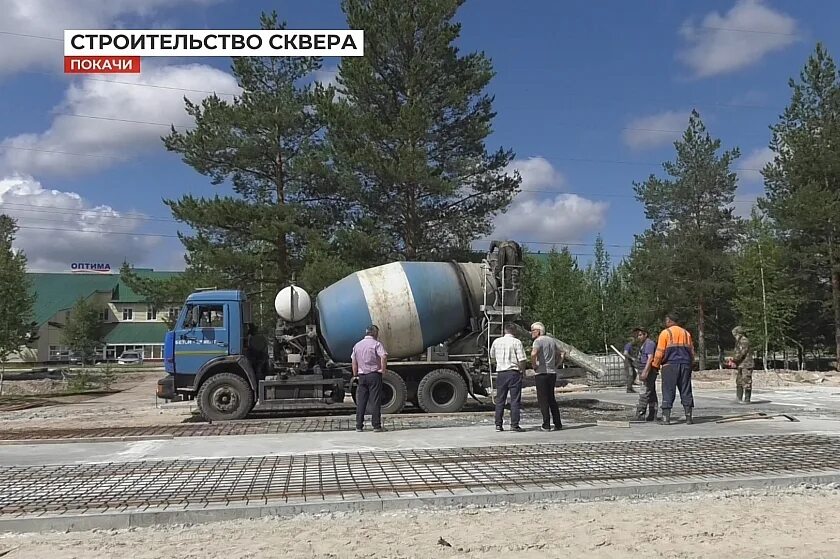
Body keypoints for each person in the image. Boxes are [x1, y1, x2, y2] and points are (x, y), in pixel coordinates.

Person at [650, 312, 695, 425]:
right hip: (685, 365)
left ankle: (666, 418)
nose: (665, 323)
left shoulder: (665, 333)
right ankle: (689, 417)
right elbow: (691, 352)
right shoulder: (686, 333)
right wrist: (690, 364)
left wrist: (655, 365)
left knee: (668, 390)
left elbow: (660, 352)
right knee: (686, 389)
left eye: (666, 320)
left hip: (670, 366)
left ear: (670, 320)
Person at [490, 323, 527, 432]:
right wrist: (522, 370)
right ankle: (514, 425)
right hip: (513, 372)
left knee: (500, 399)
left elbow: (492, 355)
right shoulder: (517, 342)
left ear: (504, 331)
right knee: (515, 400)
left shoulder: (497, 342)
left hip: (501, 372)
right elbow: (522, 359)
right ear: (514, 331)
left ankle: (498, 424)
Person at [351, 325, 388, 432]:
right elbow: (384, 356)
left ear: (366, 332)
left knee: (361, 401)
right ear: (375, 333)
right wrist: (383, 369)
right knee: (375, 400)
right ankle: (376, 425)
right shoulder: (376, 344)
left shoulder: (357, 345)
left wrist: (355, 374)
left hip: (362, 376)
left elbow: (353, 361)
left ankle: (359, 425)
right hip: (374, 375)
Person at [530, 322, 565, 431]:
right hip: (552, 373)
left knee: (543, 399)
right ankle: (557, 423)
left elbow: (533, 354)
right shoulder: (552, 340)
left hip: (541, 373)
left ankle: (546, 424)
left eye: (533, 330)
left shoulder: (538, 341)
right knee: (551, 398)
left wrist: (534, 365)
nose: (531, 333)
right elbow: (562, 353)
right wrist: (557, 364)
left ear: (539, 331)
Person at [634, 327, 659, 421]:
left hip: (648, 370)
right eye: (637, 335)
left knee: (644, 392)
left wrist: (645, 371)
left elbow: (650, 358)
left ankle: (640, 413)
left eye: (640, 335)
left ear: (646, 334)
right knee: (651, 392)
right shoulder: (644, 344)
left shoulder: (649, 344)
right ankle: (653, 413)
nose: (638, 337)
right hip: (644, 369)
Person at [728, 326, 755, 404]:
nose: (734, 336)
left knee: (746, 381)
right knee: (739, 381)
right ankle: (738, 398)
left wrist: (733, 359)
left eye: (735, 334)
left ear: (739, 333)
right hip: (740, 364)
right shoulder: (739, 341)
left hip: (747, 364)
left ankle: (747, 399)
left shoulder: (744, 341)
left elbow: (741, 353)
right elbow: (737, 352)